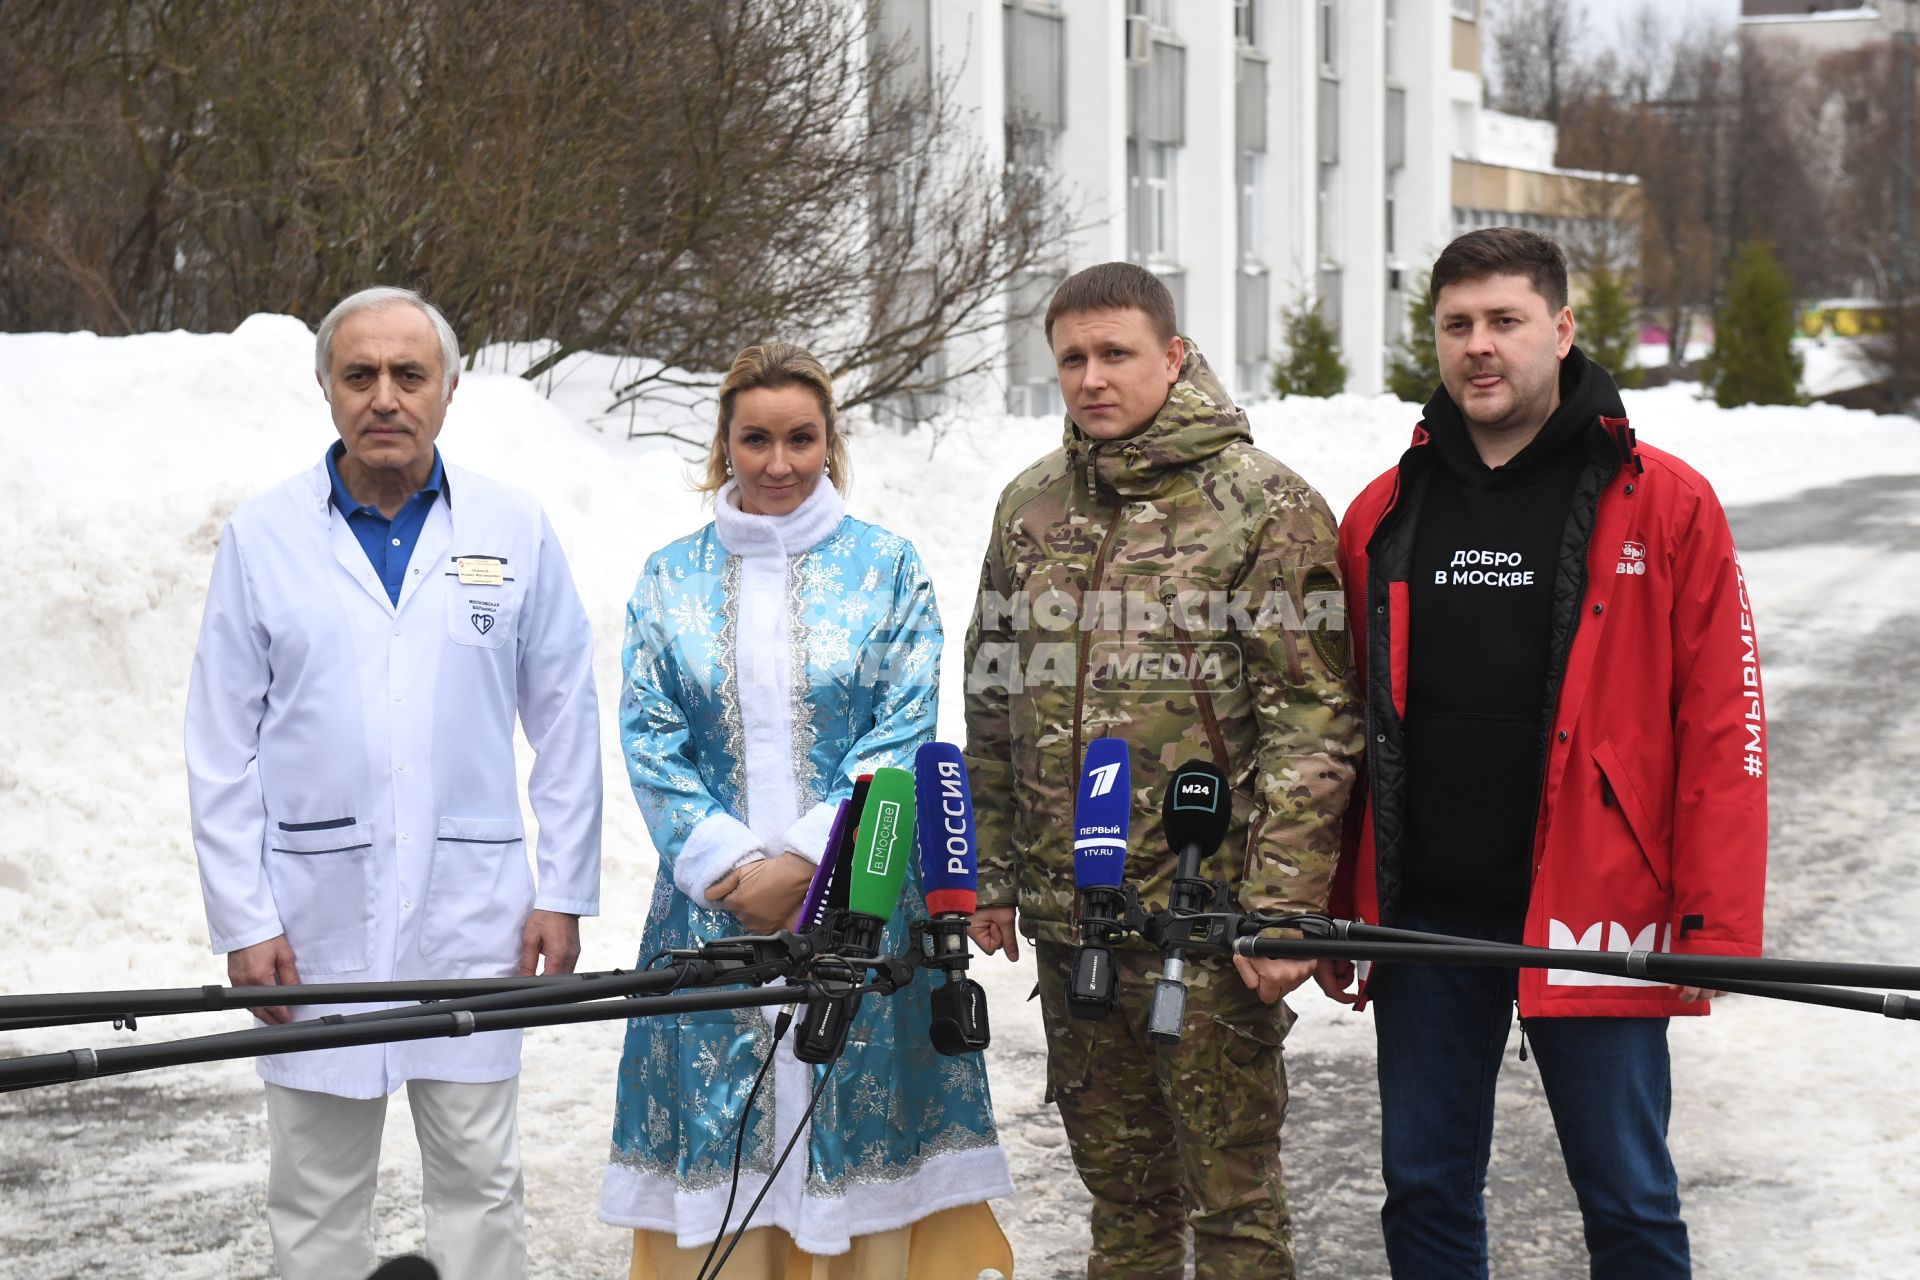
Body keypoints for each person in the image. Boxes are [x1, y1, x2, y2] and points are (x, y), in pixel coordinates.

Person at [1318, 227, 1768, 1280]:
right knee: (1424, 1188)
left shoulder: (1665, 500)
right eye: (1458, 325)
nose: (1482, 346)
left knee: (1628, 1195)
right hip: (1427, 912)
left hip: (1596, 905)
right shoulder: (1384, 513)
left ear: (1561, 330)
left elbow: (1724, 724)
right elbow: (1344, 726)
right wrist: (1343, 901)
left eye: (1506, 321)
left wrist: (1718, 918)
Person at [185, 285, 603, 1280]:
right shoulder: (263, 536)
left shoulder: (514, 526)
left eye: (408, 374)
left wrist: (562, 889)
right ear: (326, 387)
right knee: (317, 1197)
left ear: (450, 389)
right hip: (311, 921)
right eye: (359, 373)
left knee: (479, 1184)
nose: (385, 397)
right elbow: (218, 743)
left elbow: (566, 716)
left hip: (476, 914)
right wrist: (243, 917)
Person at [963, 262, 1362, 1277]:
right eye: (1072, 358)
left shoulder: (1262, 504)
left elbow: (1313, 718)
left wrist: (1282, 906)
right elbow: (993, 700)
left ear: (1174, 355)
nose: (1094, 378)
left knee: (1231, 1199)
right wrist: (995, 873)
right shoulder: (1030, 509)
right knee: (1122, 1197)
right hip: (1073, 918)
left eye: (1117, 353)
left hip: (1207, 920)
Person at [600, 342, 1014, 1280]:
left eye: (800, 439)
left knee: (854, 1137)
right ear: (725, 444)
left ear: (830, 443)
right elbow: (650, 734)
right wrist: (728, 868)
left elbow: (904, 724)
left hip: (864, 903)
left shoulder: (887, 569)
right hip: (713, 915)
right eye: (756, 439)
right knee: (733, 1145)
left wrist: (810, 864)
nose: (778, 463)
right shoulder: (670, 579)